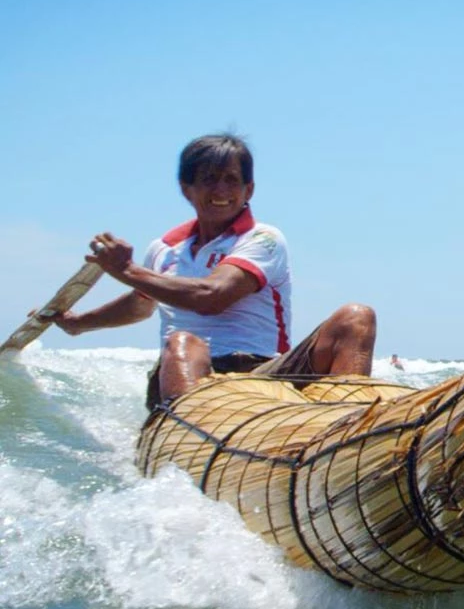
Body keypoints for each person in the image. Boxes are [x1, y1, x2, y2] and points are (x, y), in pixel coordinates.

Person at [47, 133, 377, 410]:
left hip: (262, 373)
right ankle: (187, 438)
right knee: (183, 343)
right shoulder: (163, 248)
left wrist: (127, 270)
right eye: (208, 180)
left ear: (249, 190)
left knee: (357, 318)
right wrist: (78, 323)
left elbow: (212, 297)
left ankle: (351, 428)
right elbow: (140, 303)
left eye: (231, 180)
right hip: (186, 375)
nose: (221, 191)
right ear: (186, 189)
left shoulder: (263, 239)